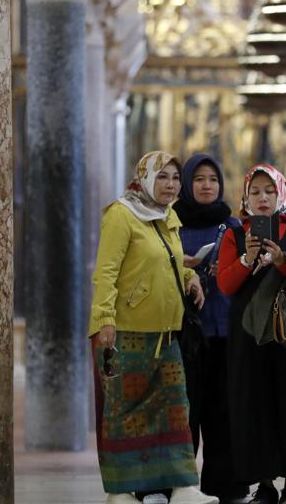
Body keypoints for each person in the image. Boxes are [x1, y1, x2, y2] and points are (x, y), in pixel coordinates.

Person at [89, 151, 219, 504]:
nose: (170, 184)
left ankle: (182, 487)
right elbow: (107, 271)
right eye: (162, 177)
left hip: (166, 329)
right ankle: (120, 491)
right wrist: (104, 320)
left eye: (175, 178)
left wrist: (190, 276)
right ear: (145, 178)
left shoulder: (167, 215)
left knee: (176, 409)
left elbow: (168, 260)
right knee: (125, 411)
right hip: (127, 330)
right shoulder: (122, 213)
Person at [217, 164, 286, 504]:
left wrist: (281, 259)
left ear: (281, 194)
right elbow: (226, 285)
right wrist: (248, 258)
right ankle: (264, 485)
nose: (263, 198)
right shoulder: (234, 236)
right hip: (248, 336)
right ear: (245, 197)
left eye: (269, 191)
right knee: (253, 405)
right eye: (255, 192)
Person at [173, 153, 248, 503]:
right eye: (199, 179)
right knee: (185, 411)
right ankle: (181, 485)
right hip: (185, 331)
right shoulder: (170, 223)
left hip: (224, 330)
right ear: (187, 184)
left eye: (213, 180)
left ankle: (226, 486)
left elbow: (245, 276)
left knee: (223, 412)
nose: (207, 186)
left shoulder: (231, 225)